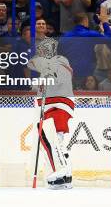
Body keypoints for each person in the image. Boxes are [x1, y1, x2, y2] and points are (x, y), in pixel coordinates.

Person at [26, 37, 74, 190]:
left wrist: (50, 76)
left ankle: (62, 171)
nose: (44, 50)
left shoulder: (60, 60)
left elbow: (63, 76)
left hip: (58, 103)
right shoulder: (43, 63)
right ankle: (65, 176)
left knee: (53, 136)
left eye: (47, 47)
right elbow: (30, 63)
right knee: (52, 138)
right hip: (49, 105)